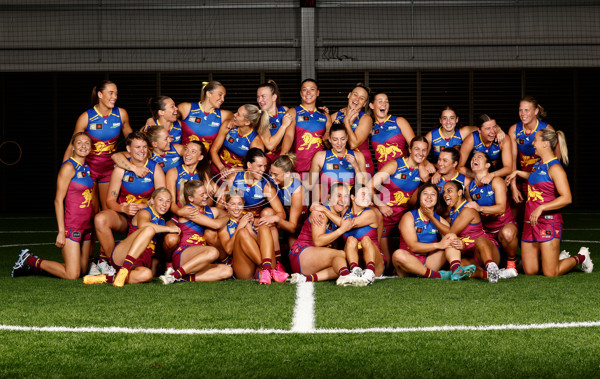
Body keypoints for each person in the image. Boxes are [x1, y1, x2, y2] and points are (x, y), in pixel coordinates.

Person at [506, 129, 593, 276]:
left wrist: (542, 208)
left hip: (548, 222)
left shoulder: (556, 168)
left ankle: (581, 257)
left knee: (551, 272)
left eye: (535, 140)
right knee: (530, 271)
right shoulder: (538, 164)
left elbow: (567, 198)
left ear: (546, 144)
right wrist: (518, 173)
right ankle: (555, 259)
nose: (532, 143)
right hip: (530, 221)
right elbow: (537, 178)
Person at [12, 133, 95, 279]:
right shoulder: (69, 167)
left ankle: (39, 268)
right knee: (72, 274)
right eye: (79, 143)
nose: (83, 146)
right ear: (73, 147)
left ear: (91, 147)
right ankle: (30, 260)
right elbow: (58, 200)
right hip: (72, 226)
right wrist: (61, 231)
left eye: (87, 143)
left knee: (82, 271)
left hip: (86, 226)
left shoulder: (86, 167)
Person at [94, 131, 165, 268]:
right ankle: (112, 264)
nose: (142, 151)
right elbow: (110, 200)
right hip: (124, 218)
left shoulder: (155, 169)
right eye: (137, 147)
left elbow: (163, 201)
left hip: (145, 218)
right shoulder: (121, 169)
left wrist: (144, 207)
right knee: (100, 218)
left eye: (144, 147)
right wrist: (123, 208)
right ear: (128, 149)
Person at [83, 188, 180, 286]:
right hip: (123, 256)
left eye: (167, 201)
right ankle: (123, 270)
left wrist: (154, 270)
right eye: (160, 200)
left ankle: (106, 278)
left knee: (147, 275)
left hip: (139, 262)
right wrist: (169, 229)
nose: (164, 204)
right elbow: (143, 225)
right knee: (149, 229)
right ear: (152, 201)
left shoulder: (161, 221)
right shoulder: (145, 212)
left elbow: (156, 251)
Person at [64, 80, 132, 211]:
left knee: (108, 210)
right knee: (92, 209)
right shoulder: (86, 117)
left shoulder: (121, 114)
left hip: (109, 169)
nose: (115, 97)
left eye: (116, 94)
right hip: (89, 169)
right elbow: (70, 146)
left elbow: (133, 141)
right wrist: (64, 170)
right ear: (100, 94)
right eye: (111, 93)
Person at [222, 148, 288, 282]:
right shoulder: (234, 178)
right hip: (238, 225)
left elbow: (282, 214)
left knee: (266, 220)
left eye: (265, 166)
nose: (263, 169)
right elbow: (226, 205)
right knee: (242, 231)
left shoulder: (266, 185)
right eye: (259, 166)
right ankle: (269, 269)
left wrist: (269, 219)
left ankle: (270, 267)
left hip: (254, 226)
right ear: (248, 165)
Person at [369, 136, 430, 266]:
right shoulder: (395, 165)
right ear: (409, 149)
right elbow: (369, 187)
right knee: (387, 263)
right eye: (417, 149)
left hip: (402, 217)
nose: (420, 153)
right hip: (385, 216)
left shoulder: (423, 171)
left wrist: (422, 166)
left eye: (424, 150)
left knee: (401, 262)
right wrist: (381, 206)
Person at [288, 183, 365, 286]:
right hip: (301, 255)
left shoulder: (341, 214)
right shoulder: (320, 213)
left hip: (316, 261)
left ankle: (305, 278)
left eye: (345, 196)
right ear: (329, 197)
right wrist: (341, 230)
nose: (342, 199)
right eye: (338, 196)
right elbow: (318, 241)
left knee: (342, 262)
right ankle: (347, 276)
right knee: (340, 255)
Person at [426, 180, 501, 282]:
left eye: (449, 191)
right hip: (471, 255)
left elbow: (451, 232)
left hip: (486, 251)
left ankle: (490, 265)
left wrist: (431, 216)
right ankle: (495, 274)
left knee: (480, 240)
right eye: (444, 192)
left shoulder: (467, 209)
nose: (445, 195)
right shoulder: (453, 211)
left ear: (460, 193)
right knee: (460, 270)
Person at [159, 180, 232, 284]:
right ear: (191, 198)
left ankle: (183, 277)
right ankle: (175, 275)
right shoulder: (189, 210)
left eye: (205, 193)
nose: (206, 196)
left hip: (201, 259)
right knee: (213, 252)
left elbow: (223, 214)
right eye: (202, 194)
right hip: (184, 254)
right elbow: (216, 224)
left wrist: (228, 215)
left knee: (227, 271)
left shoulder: (210, 210)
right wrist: (229, 216)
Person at [312, 186, 383, 285]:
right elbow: (325, 205)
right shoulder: (345, 211)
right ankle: (355, 271)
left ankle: (370, 272)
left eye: (368, 195)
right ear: (353, 197)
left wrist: (324, 210)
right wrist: (315, 210)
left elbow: (348, 224)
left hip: (375, 263)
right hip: (356, 261)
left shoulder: (370, 213)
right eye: (363, 194)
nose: (366, 198)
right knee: (350, 239)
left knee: (366, 239)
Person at [465, 152, 518, 278]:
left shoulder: (497, 181)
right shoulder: (469, 188)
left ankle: (511, 262)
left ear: (488, 165)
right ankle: (492, 270)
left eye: (479, 157)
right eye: (473, 158)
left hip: (503, 226)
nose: (474, 159)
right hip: (486, 232)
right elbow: (472, 212)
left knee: (508, 233)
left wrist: (479, 208)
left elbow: (501, 208)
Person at [217, 193, 288, 284]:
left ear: (243, 204)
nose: (236, 208)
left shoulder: (252, 220)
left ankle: (266, 270)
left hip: (261, 264)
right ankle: (268, 269)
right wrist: (240, 226)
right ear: (226, 205)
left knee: (264, 228)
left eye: (239, 204)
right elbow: (228, 250)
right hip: (244, 269)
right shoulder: (224, 225)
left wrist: (250, 230)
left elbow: (261, 244)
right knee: (242, 232)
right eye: (232, 204)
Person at [508, 96, 557, 221]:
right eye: (520, 110)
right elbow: (513, 160)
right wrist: (513, 187)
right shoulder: (514, 130)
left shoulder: (546, 129)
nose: (522, 114)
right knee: (517, 217)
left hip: (541, 179)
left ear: (536, 111)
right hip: (523, 179)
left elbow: (556, 161)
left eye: (526, 110)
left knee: (541, 218)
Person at [392, 183, 454, 279]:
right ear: (419, 197)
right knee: (398, 254)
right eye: (425, 193)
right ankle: (436, 275)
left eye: (433, 194)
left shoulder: (440, 220)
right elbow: (413, 247)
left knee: (452, 238)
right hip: (408, 263)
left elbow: (451, 235)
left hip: (428, 262)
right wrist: (438, 245)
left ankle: (456, 268)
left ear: (437, 199)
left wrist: (431, 217)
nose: (429, 197)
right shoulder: (409, 216)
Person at [163, 140, 214, 255]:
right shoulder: (173, 172)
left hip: (198, 217)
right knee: (171, 240)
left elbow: (213, 197)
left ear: (200, 157)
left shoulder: (203, 173)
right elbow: (170, 201)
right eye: (186, 149)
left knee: (212, 235)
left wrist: (202, 207)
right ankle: (168, 262)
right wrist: (180, 212)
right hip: (177, 218)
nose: (187, 153)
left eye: (193, 151)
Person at [281, 78, 332, 174]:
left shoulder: (325, 116)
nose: (308, 92)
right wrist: (282, 156)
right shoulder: (293, 112)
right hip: (298, 167)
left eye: (312, 89)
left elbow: (330, 140)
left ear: (317, 93)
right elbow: (289, 136)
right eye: (305, 89)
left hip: (320, 168)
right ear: (301, 93)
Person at [309, 123, 367, 204]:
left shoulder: (358, 156)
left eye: (342, 139)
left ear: (347, 138)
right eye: (335, 139)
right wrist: (316, 203)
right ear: (329, 139)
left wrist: (356, 167)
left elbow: (363, 187)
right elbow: (311, 183)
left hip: (351, 205)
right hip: (328, 205)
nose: (339, 143)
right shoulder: (320, 156)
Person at [330, 83, 375, 175]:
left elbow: (353, 144)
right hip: (341, 164)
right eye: (355, 95)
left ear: (364, 103)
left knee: (361, 189)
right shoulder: (335, 116)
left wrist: (347, 122)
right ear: (349, 95)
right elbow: (327, 141)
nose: (357, 99)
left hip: (362, 165)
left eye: (362, 98)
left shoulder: (366, 119)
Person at [178, 81, 234, 151]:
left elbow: (240, 120)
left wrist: (234, 121)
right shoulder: (186, 108)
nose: (223, 99)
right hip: (184, 159)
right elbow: (167, 118)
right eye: (220, 95)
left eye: (224, 96)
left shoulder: (224, 115)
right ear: (208, 93)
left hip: (206, 160)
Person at [210, 104, 266, 172]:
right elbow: (213, 150)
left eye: (238, 115)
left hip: (237, 173)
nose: (234, 114)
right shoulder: (228, 125)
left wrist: (234, 170)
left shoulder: (256, 142)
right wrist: (221, 167)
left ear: (247, 122)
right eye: (236, 112)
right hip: (218, 166)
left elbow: (255, 168)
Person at [369, 92, 415, 170]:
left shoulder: (399, 121)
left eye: (386, 102)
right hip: (383, 174)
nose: (384, 104)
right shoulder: (370, 127)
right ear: (372, 105)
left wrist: (423, 165)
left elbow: (416, 147)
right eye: (380, 101)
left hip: (402, 171)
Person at [113, 124, 183, 175]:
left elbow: (192, 152)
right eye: (166, 139)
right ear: (154, 144)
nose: (170, 140)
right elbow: (116, 156)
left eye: (169, 137)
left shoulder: (176, 148)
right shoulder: (145, 153)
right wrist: (134, 169)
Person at [268, 153, 306, 248]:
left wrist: (277, 219)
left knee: (293, 246)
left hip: (298, 221)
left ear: (288, 173)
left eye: (275, 174)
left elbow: (292, 227)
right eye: (271, 173)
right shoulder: (273, 179)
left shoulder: (297, 189)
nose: (272, 177)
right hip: (284, 214)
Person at [459, 114, 512, 180]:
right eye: (488, 128)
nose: (492, 131)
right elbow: (460, 167)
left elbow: (508, 168)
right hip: (474, 177)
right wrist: (476, 176)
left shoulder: (503, 139)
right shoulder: (471, 139)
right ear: (479, 130)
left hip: (495, 176)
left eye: (494, 127)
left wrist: (491, 175)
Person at [256, 80, 290, 163]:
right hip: (268, 162)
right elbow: (270, 145)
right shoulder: (259, 117)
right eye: (258, 97)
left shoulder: (284, 110)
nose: (260, 100)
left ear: (274, 97)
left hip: (285, 158)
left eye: (263, 96)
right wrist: (283, 126)